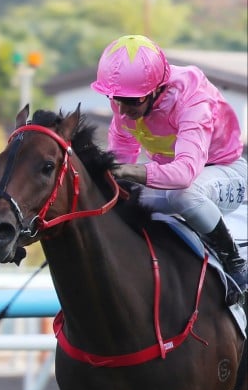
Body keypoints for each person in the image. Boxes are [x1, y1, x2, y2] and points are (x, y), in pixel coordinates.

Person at [91, 34, 247, 293]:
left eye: (132, 101)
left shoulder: (193, 99)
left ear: (156, 89)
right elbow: (120, 159)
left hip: (225, 172)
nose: (123, 109)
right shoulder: (127, 103)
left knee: (183, 196)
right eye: (116, 99)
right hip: (171, 178)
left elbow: (184, 175)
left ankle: (235, 262)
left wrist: (129, 171)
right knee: (122, 200)